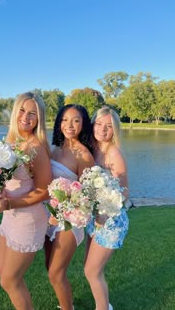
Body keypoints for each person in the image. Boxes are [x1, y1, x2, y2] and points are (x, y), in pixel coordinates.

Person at [0, 92, 52, 310]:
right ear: (15, 112)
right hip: (10, 216)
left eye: (33, 113)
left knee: (10, 280)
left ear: (39, 119)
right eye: (22, 111)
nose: (26, 117)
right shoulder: (13, 142)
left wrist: (9, 203)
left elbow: (45, 191)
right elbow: (5, 181)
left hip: (28, 220)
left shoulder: (36, 148)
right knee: (2, 274)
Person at [44, 104, 95, 310]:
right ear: (58, 123)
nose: (69, 125)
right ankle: (67, 303)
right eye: (65, 120)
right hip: (48, 216)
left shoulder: (84, 156)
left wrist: (62, 213)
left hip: (69, 221)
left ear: (83, 124)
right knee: (50, 267)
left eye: (76, 120)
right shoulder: (54, 149)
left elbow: (88, 196)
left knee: (56, 272)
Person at [84, 106, 129, 310]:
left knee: (92, 272)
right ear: (93, 124)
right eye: (99, 124)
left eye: (109, 126)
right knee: (91, 269)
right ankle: (102, 304)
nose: (103, 129)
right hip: (95, 218)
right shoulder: (90, 149)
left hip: (111, 221)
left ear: (115, 131)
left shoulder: (114, 154)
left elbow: (124, 192)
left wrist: (104, 214)